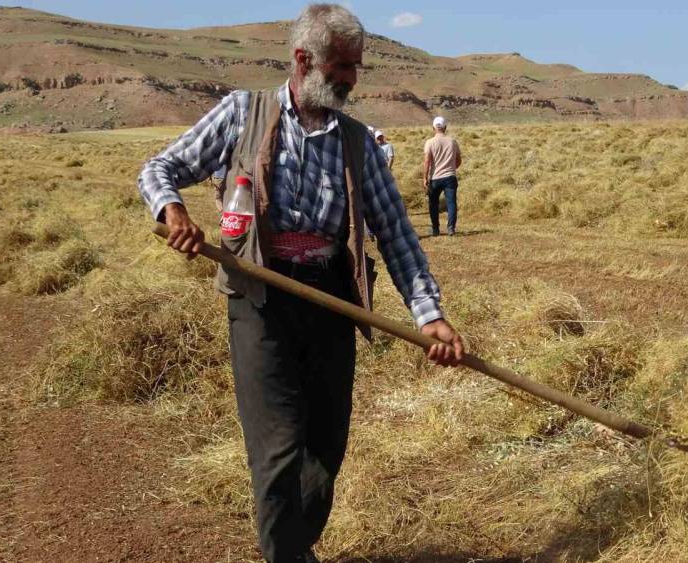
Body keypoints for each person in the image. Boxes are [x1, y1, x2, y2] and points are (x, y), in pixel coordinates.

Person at [136, 5, 465, 562]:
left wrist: (429, 315)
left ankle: (294, 545)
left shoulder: (358, 144)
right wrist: (171, 212)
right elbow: (158, 169)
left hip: (333, 301)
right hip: (259, 299)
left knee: (325, 448)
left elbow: (398, 237)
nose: (350, 79)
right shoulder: (243, 114)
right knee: (279, 448)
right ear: (302, 59)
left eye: (356, 68)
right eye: (341, 66)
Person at [423, 116, 462, 236]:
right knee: (451, 203)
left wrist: (425, 177)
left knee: (433, 203)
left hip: (435, 178)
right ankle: (451, 228)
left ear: (433, 128)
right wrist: (451, 168)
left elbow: (427, 162)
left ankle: (435, 229)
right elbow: (459, 160)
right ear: (445, 127)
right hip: (450, 177)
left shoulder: (430, 142)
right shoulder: (452, 141)